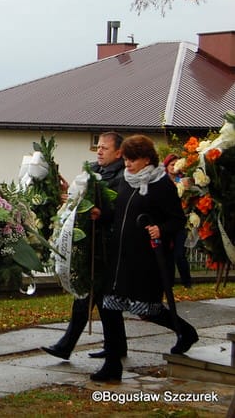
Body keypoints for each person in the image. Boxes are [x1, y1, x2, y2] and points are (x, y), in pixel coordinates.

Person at [91, 134, 198, 382]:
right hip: (119, 257)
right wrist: (101, 215)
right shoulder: (125, 181)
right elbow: (118, 215)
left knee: (147, 310)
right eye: (126, 159)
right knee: (109, 307)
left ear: (147, 159)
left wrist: (161, 228)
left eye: (133, 159)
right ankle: (112, 364)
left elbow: (177, 220)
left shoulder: (161, 185)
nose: (127, 164)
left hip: (144, 260)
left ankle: (185, 331)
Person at [42, 132, 128, 361]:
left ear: (119, 152)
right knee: (98, 298)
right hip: (91, 243)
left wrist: (101, 214)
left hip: (106, 246)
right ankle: (115, 347)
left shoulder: (122, 176)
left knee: (92, 297)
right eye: (98, 147)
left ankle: (67, 345)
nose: (99, 151)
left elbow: (118, 209)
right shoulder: (94, 169)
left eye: (105, 148)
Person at [163, 153, 192, 288]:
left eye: (176, 164)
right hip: (167, 222)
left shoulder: (184, 180)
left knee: (179, 254)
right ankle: (169, 283)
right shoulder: (162, 180)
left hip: (181, 222)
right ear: (167, 166)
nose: (174, 167)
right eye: (171, 164)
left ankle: (187, 282)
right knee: (167, 255)